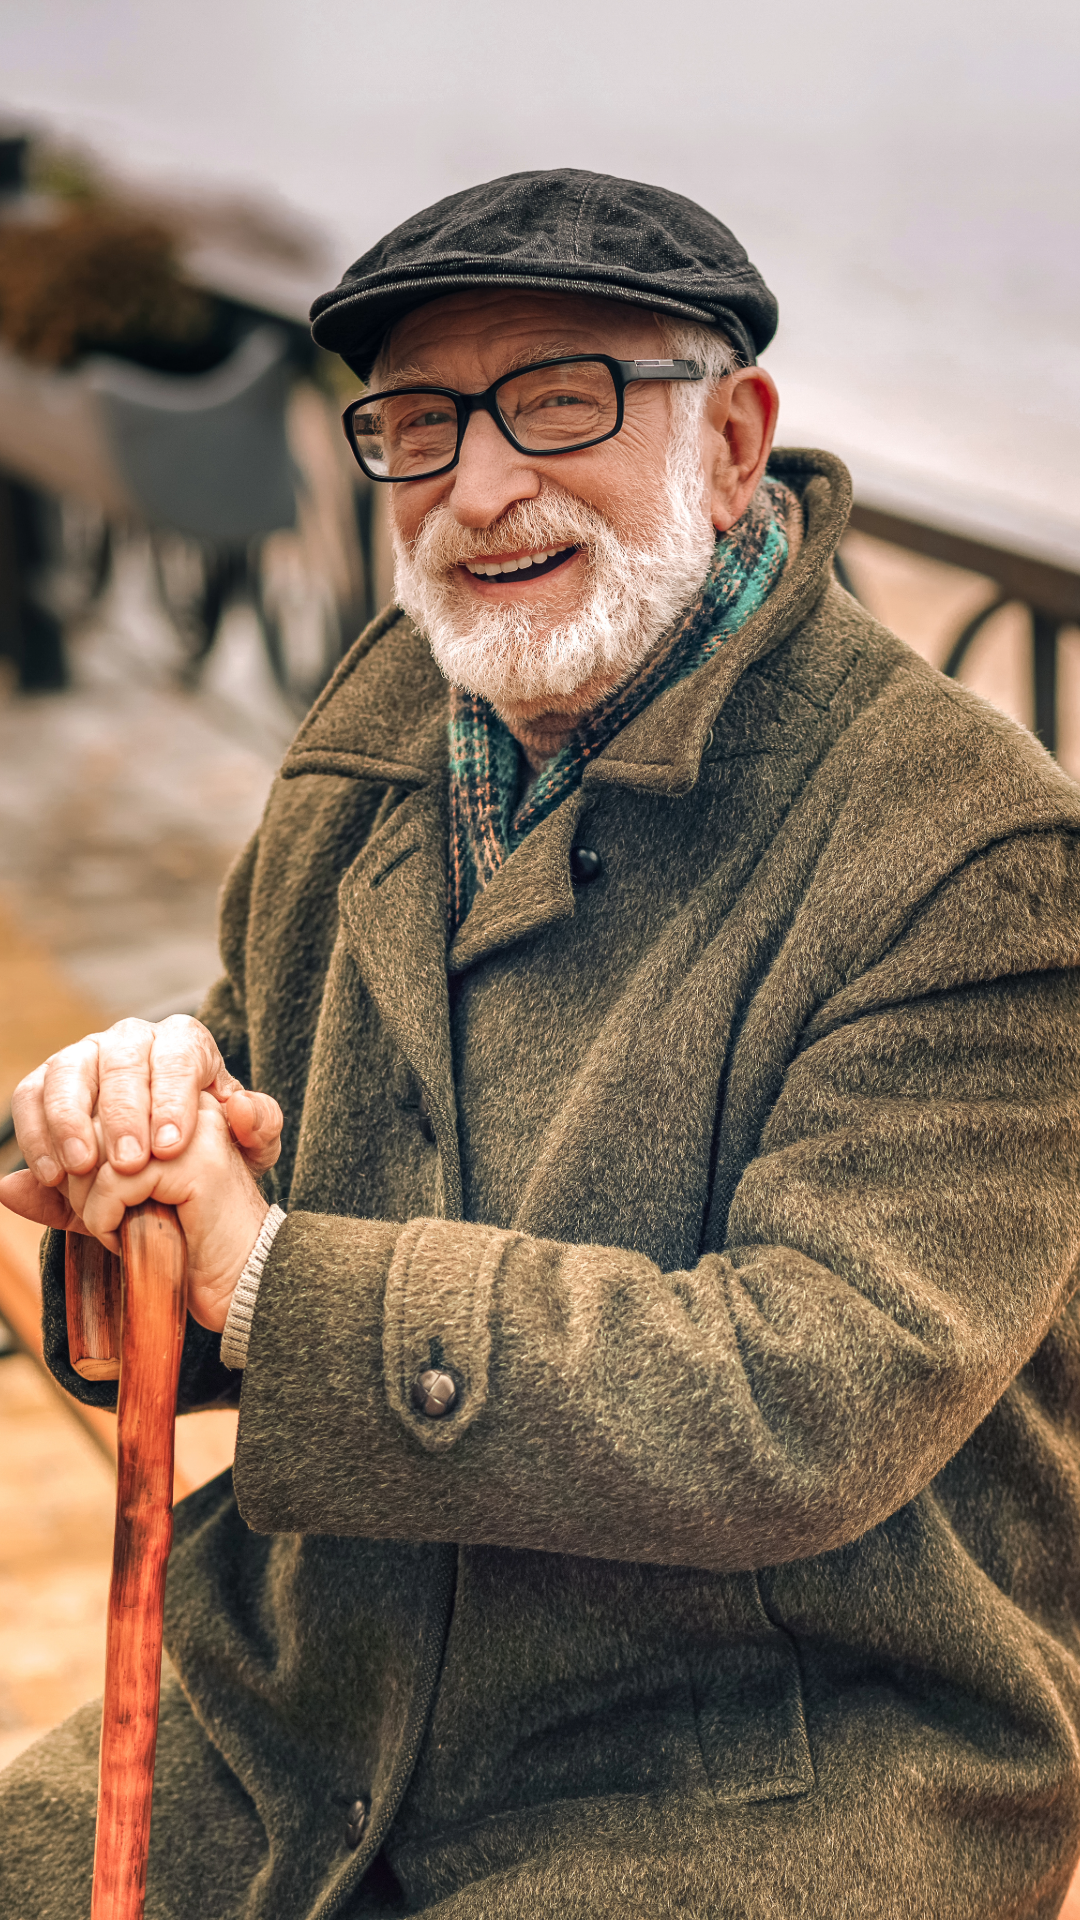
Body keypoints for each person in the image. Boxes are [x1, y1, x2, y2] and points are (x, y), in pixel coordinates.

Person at [2, 168, 1080, 1920]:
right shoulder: (382, 733)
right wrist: (134, 1140)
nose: (479, 485)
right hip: (298, 1709)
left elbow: (807, 1390)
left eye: (562, 400)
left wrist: (271, 1281)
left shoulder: (967, 847)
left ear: (735, 440)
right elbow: (246, 1108)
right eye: (420, 425)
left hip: (767, 1768)